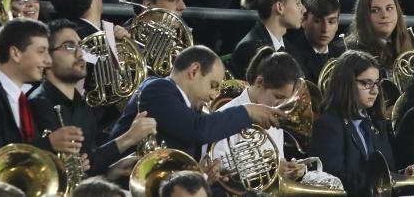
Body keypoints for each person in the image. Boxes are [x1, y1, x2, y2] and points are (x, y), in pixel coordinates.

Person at [27, 19, 158, 175]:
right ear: (47, 57)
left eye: (80, 46)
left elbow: (89, 162)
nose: (80, 54)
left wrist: (111, 172)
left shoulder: (82, 104)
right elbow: (74, 166)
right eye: (69, 47)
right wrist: (129, 137)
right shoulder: (39, 104)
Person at [108, 45, 283, 159]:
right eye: (213, 85)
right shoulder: (157, 89)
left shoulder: (189, 107)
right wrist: (247, 111)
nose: (214, 95)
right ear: (194, 71)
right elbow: (197, 130)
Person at [311, 50, 414, 195]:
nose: (375, 91)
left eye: (376, 83)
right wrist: (381, 182)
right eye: (366, 83)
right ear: (346, 83)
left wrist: (405, 175)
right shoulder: (328, 125)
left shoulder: (377, 123)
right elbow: (333, 180)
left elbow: (387, 172)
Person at [0, 17, 83, 154]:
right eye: (41, 51)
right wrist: (48, 144)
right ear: (15, 54)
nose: (48, 61)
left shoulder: (20, 97)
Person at [213, 49, 306, 182]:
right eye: (278, 96)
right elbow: (220, 174)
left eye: (287, 100)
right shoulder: (224, 116)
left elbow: (278, 165)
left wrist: (288, 171)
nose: (281, 105)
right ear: (259, 82)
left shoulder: (275, 116)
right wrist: (270, 170)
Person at [228, 0, 304, 78]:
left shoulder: (289, 47)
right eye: (298, 3)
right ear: (279, 7)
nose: (303, 9)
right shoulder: (250, 48)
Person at [342, 0, 414, 82]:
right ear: (364, 16)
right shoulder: (350, 51)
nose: (384, 15)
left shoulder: (411, 46)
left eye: (389, 8)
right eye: (376, 10)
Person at [284, 0, 345, 83]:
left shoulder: (342, 53)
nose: (325, 29)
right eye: (317, 21)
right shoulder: (291, 54)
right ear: (303, 20)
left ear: (338, 23)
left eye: (331, 22)